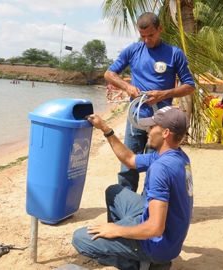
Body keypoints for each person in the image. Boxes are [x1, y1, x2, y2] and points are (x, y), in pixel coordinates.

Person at [72, 106, 193, 270]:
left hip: (158, 245)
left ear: (165, 133)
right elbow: (130, 159)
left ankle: (138, 263)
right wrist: (106, 129)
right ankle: (129, 249)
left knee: (80, 238)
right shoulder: (177, 155)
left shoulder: (161, 168)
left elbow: (155, 228)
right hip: (170, 239)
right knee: (114, 192)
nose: (148, 131)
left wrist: (117, 230)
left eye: (152, 126)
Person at [104, 12, 195, 192]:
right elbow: (109, 74)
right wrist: (127, 87)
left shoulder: (174, 54)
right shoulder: (133, 50)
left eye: (151, 35)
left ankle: (149, 206)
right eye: (142, 36)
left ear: (160, 29)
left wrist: (164, 94)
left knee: (156, 166)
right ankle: (126, 205)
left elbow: (189, 86)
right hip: (136, 120)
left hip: (161, 124)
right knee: (128, 166)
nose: (147, 40)